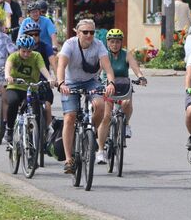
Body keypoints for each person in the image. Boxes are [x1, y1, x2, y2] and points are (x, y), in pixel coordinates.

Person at [56, 19, 116, 174]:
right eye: (85, 32)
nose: (89, 35)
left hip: (91, 82)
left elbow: (108, 67)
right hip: (71, 83)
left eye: (92, 32)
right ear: (77, 33)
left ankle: (91, 132)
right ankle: (69, 159)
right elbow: (61, 65)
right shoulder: (69, 44)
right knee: (70, 117)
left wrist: (111, 83)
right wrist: (61, 83)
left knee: (100, 105)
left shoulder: (99, 45)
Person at [96, 28, 147, 164]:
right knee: (106, 117)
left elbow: (135, 67)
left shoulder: (126, 54)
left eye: (117, 42)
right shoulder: (104, 55)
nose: (115, 44)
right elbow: (98, 70)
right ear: (107, 42)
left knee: (126, 103)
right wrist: (95, 80)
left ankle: (126, 124)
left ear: (121, 43)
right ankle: (100, 151)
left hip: (123, 86)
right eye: (112, 41)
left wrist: (140, 77)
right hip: (108, 87)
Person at [3, 35, 56, 144]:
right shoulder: (14, 56)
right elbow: (8, 66)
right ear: (19, 49)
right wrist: (8, 75)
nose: (26, 54)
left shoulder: (36, 56)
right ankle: (9, 129)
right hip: (15, 86)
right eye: (23, 51)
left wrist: (49, 78)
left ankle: (38, 136)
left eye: (29, 51)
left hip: (31, 87)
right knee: (13, 102)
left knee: (37, 109)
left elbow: (42, 68)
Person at [22, 20, 56, 128]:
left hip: (43, 80)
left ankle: (49, 129)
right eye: (30, 34)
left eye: (36, 34)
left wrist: (58, 78)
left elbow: (53, 63)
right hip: (26, 80)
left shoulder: (45, 47)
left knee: (47, 106)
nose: (33, 36)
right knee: (20, 104)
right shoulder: (21, 48)